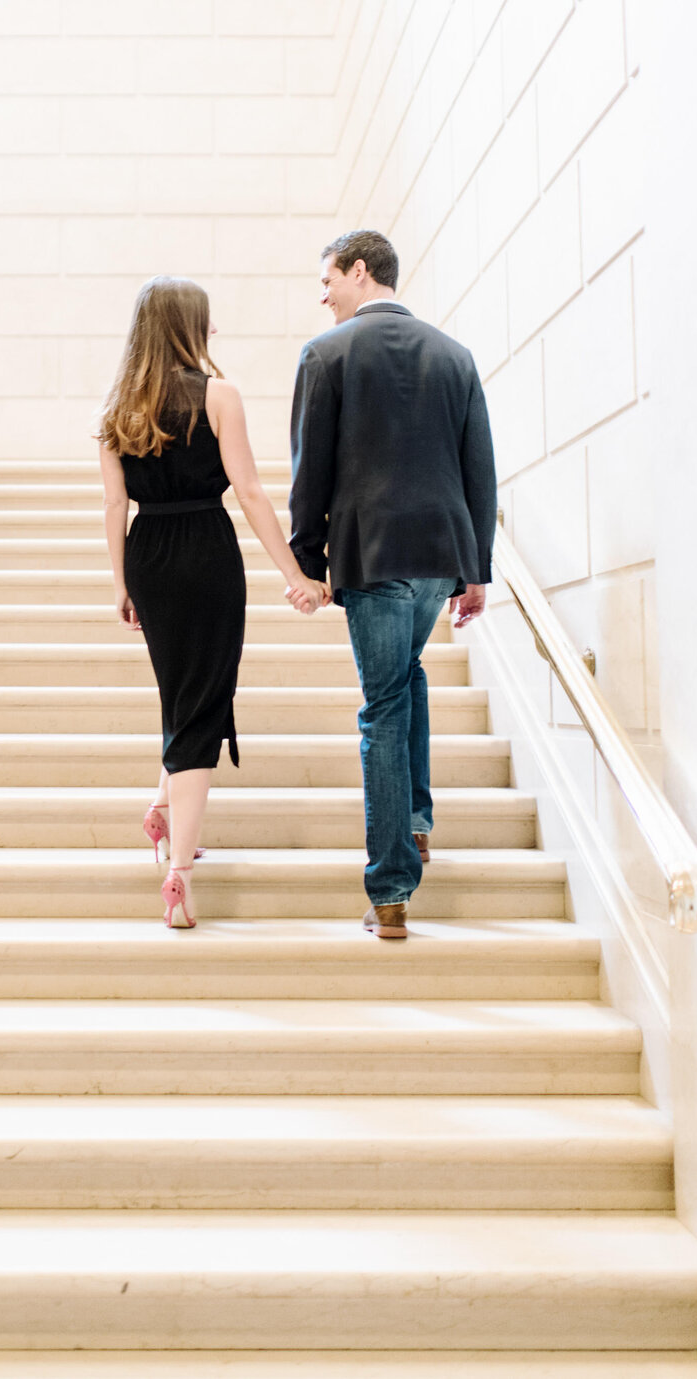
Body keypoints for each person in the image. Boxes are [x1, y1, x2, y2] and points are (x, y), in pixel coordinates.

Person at [98, 275, 328, 930]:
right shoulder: (218, 395)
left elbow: (115, 505)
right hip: (205, 548)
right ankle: (180, 873)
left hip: (148, 553)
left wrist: (120, 582)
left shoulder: (119, 409)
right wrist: (297, 575)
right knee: (201, 703)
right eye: (207, 321)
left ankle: (165, 809)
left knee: (185, 693)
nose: (214, 331)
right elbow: (250, 491)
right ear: (186, 327)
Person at [288, 229, 497, 940]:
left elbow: (307, 470)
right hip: (441, 554)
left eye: (328, 280)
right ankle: (414, 819)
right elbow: (480, 471)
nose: (324, 295)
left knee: (381, 708)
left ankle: (391, 889)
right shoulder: (455, 355)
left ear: (359, 269)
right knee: (405, 677)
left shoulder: (326, 354)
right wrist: (476, 568)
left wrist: (308, 563)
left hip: (373, 555)